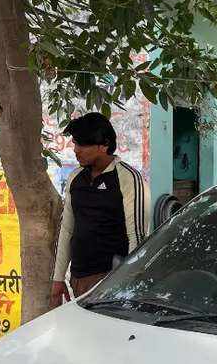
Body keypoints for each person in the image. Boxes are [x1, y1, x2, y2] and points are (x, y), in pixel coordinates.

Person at [52, 113, 150, 306]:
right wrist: (58, 277)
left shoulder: (128, 178)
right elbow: (67, 229)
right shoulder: (75, 178)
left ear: (103, 145)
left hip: (111, 279)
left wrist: (128, 283)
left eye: (82, 145)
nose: (76, 150)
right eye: (75, 144)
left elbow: (136, 235)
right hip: (78, 278)